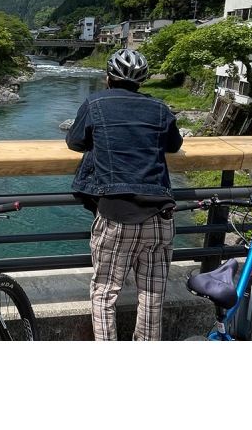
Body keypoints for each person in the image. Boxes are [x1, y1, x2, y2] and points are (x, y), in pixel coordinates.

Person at [66, 48, 183, 341]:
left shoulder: (94, 103)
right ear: (141, 82)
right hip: (160, 216)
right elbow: (173, 145)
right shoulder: (159, 108)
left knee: (105, 292)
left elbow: (75, 142)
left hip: (116, 213)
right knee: (153, 294)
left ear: (107, 78)